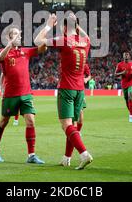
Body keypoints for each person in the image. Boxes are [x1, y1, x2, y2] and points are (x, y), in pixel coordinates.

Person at [35, 13, 93, 170]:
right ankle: (66, 158)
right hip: (80, 89)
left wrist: (48, 24)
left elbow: (37, 41)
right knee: (72, 125)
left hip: (67, 88)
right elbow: (88, 37)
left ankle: (84, 154)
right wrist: (76, 24)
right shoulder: (85, 41)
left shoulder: (64, 40)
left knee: (66, 125)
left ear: (65, 27)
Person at [0, 26, 46, 164]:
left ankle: (31, 155)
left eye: (19, 34)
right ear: (9, 37)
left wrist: (46, 32)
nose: (18, 36)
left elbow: (42, 48)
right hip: (10, 94)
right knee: (3, 122)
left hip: (26, 94)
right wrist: (11, 43)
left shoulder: (25, 52)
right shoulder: (3, 52)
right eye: (15, 34)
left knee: (31, 121)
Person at [115, 52, 132, 123]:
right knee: (126, 99)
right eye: (124, 55)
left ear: (129, 56)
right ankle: (131, 111)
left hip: (131, 82)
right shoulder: (120, 65)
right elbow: (115, 74)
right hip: (124, 83)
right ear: (123, 56)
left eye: (127, 55)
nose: (126, 56)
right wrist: (122, 73)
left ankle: (131, 115)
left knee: (130, 96)